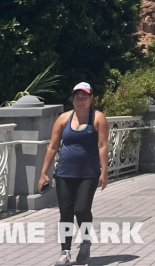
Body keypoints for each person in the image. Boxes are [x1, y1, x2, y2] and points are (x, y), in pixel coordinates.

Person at [40, 83, 109, 266]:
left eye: (84, 97)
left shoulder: (98, 118)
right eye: (77, 97)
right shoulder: (63, 118)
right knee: (66, 213)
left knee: (81, 209)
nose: (80, 100)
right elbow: (52, 147)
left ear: (91, 98)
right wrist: (44, 173)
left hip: (88, 173)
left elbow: (102, 145)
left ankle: (85, 241)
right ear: (72, 99)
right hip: (64, 173)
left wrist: (104, 171)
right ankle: (65, 252)